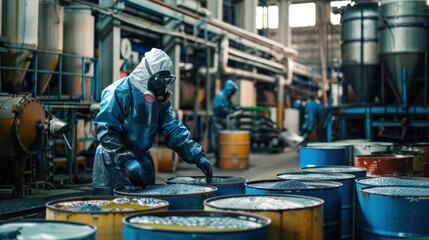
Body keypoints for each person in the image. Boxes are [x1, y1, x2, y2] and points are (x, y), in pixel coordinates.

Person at [92, 48, 213, 195]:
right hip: (113, 164)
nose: (163, 88)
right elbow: (106, 131)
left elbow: (172, 128)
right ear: (146, 76)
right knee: (110, 209)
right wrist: (126, 160)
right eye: (160, 82)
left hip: (142, 161)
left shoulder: (158, 99)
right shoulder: (117, 92)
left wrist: (196, 154)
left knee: (146, 209)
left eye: (166, 82)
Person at [210, 79, 238, 167]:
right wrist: (226, 110)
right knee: (218, 141)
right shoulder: (220, 96)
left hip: (225, 121)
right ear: (228, 90)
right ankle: (219, 160)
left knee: (226, 140)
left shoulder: (227, 98)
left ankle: (226, 159)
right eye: (232, 91)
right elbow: (217, 107)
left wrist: (234, 109)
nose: (232, 94)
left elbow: (230, 107)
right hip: (218, 121)